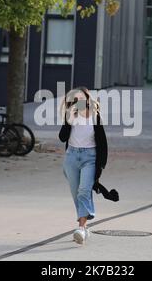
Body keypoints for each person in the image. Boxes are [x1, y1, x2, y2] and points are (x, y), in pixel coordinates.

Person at [59, 87, 116, 245]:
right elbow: (62, 138)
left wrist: (101, 166)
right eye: (75, 100)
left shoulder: (95, 117)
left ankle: (81, 228)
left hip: (89, 158)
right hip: (71, 157)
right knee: (77, 193)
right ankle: (84, 225)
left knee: (84, 191)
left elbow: (103, 144)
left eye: (81, 99)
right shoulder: (70, 115)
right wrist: (68, 121)